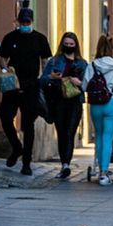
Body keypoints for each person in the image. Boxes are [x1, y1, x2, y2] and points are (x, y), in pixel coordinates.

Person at [0, 7, 52, 175]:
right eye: (22, 22)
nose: (25, 24)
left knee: (28, 125)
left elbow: (45, 60)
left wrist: (42, 78)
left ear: (31, 21)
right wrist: (7, 71)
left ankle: (26, 163)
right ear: (18, 21)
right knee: (4, 115)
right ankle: (16, 147)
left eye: (27, 22)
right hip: (13, 85)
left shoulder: (39, 39)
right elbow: (2, 59)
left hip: (31, 86)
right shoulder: (10, 38)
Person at [82, 34, 113, 185]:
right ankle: (104, 173)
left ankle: (97, 167)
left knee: (99, 135)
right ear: (111, 49)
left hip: (95, 105)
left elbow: (84, 86)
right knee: (108, 137)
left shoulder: (92, 65)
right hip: (112, 103)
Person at [41, 32, 89, 180]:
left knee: (70, 133)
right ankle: (64, 164)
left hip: (74, 102)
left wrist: (79, 82)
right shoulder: (55, 61)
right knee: (62, 133)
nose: (68, 47)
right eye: (66, 44)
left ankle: (66, 164)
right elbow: (42, 79)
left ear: (76, 46)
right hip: (58, 101)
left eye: (71, 45)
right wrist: (52, 77)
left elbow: (88, 84)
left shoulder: (82, 63)